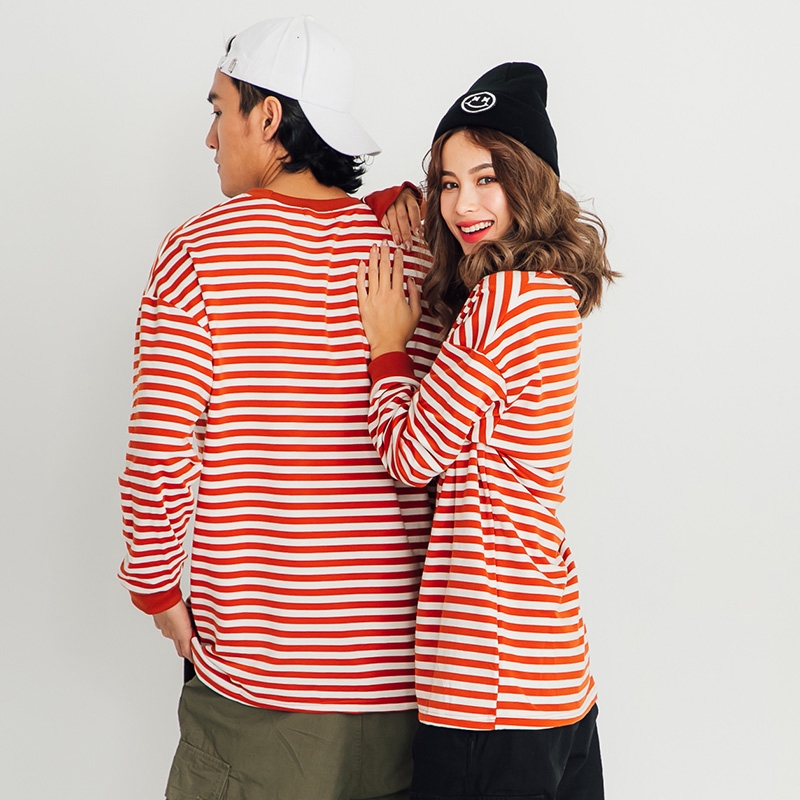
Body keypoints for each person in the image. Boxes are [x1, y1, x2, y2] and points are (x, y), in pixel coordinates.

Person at [118, 16, 440, 800]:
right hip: (407, 684)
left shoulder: (198, 253)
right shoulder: (415, 252)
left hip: (261, 685)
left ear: (268, 119)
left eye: (219, 109)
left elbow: (161, 448)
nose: (209, 137)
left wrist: (156, 588)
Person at [357, 62, 618, 799]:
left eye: (487, 178)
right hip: (551, 671)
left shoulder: (501, 300)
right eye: (447, 183)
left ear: (529, 181)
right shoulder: (546, 293)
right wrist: (394, 202)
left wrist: (387, 348)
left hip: (487, 681)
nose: (462, 205)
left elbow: (409, 455)